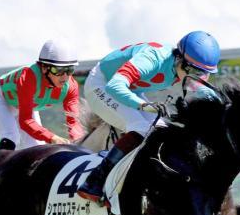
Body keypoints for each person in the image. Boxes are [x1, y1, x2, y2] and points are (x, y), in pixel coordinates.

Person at [76, 30, 221, 205]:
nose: (198, 78)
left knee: (162, 131)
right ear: (180, 59)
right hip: (103, 85)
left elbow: (207, 93)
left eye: (204, 73)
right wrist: (143, 105)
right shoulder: (153, 58)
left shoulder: (185, 68)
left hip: (130, 90)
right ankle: (95, 182)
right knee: (141, 128)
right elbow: (115, 86)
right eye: (195, 72)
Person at [0, 39, 84, 151]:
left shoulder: (71, 87)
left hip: (25, 104)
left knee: (37, 148)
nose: (65, 76)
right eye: (59, 70)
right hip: (1, 97)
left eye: (69, 69)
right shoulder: (28, 77)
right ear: (44, 68)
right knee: (11, 138)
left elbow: (74, 122)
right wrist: (52, 138)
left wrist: (80, 142)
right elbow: (25, 120)